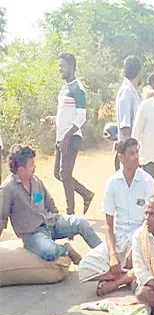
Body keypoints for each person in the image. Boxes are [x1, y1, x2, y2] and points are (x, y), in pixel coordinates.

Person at [78, 138, 154, 296]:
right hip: (119, 238)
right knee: (85, 266)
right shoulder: (112, 183)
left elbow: (149, 221)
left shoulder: (147, 181)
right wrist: (113, 255)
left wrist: (136, 246)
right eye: (131, 153)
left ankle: (114, 284)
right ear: (121, 157)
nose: (136, 157)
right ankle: (122, 276)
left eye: (137, 152)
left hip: (141, 237)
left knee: (146, 264)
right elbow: (108, 225)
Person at [0, 144, 101, 263]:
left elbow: (49, 203)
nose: (35, 167)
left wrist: (62, 223)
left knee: (81, 223)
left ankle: (105, 254)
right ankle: (66, 250)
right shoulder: (8, 189)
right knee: (49, 251)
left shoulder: (36, 181)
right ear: (21, 170)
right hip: (33, 234)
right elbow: (1, 218)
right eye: (31, 165)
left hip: (50, 222)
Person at [49, 53, 95, 215]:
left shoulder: (78, 89)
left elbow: (81, 117)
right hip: (61, 138)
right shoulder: (64, 89)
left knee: (65, 174)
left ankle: (70, 214)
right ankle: (86, 193)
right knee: (58, 173)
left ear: (71, 67)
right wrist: (54, 119)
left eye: (62, 66)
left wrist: (67, 137)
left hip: (71, 138)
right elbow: (66, 114)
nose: (60, 69)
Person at [114, 56, 143, 171]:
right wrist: (130, 152)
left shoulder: (134, 92)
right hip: (129, 152)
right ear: (139, 72)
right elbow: (125, 126)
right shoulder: (126, 92)